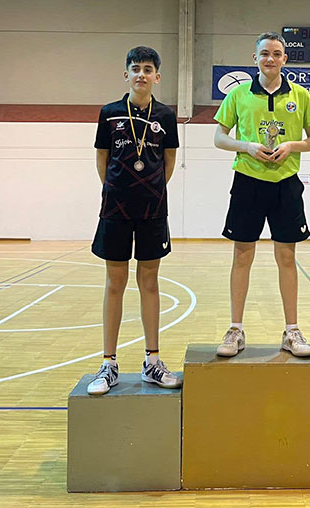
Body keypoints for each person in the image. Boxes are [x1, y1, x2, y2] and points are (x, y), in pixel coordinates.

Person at [213, 31, 310, 358]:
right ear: (255, 59)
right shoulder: (238, 95)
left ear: (284, 59)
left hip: (286, 183)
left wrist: (292, 145)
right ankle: (235, 330)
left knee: (286, 256)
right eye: (264, 54)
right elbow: (219, 137)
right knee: (242, 254)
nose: (270, 59)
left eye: (276, 53)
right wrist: (245, 146)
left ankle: (291, 331)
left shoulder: (300, 96)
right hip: (247, 181)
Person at [87, 46, 181, 395]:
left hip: (153, 210)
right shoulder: (109, 113)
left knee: (150, 282)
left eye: (147, 69)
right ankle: (108, 363)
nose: (141, 74)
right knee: (114, 282)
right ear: (125, 74)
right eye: (135, 68)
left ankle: (152, 362)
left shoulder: (166, 116)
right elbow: (102, 159)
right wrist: (116, 191)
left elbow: (168, 161)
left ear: (157, 76)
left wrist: (150, 191)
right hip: (115, 210)